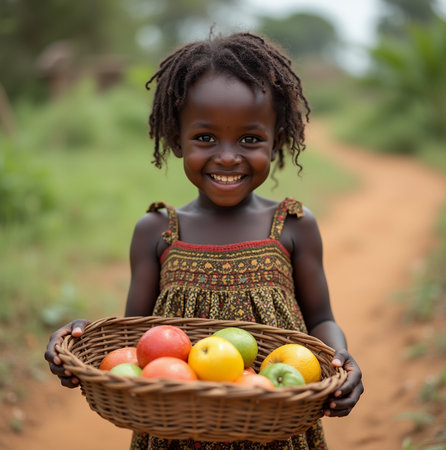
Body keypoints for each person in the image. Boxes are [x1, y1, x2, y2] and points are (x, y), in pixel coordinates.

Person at [45, 31, 364, 449]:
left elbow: (321, 318)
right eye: (205, 138)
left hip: (274, 424)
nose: (228, 156)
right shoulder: (156, 230)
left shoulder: (293, 225)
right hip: (177, 429)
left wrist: (342, 360)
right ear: (176, 140)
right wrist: (83, 337)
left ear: (277, 140)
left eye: (250, 139)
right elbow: (135, 341)